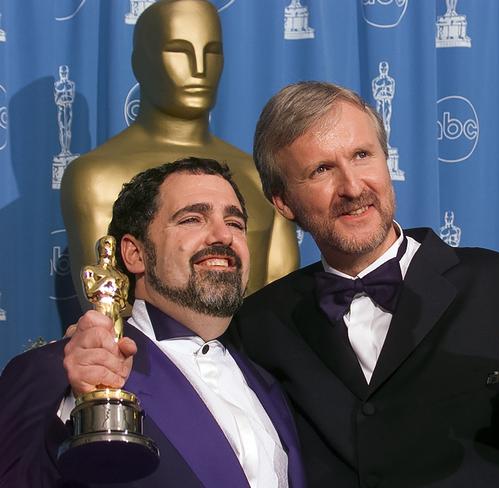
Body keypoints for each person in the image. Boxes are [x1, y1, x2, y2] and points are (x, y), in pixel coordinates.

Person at [233, 81, 499, 487]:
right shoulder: (259, 326)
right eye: (321, 169)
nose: (353, 187)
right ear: (283, 201)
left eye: (362, 155)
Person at [0, 158, 306, 488]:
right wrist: (78, 406)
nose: (223, 236)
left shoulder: (269, 386)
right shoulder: (53, 373)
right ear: (135, 254)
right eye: (192, 219)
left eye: (235, 223)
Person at [60, 0, 298, 308]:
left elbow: (280, 303)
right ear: (139, 63)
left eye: (211, 52)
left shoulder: (258, 174)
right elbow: (110, 309)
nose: (199, 69)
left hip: (251, 356)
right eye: (179, 51)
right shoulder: (95, 177)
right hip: (145, 355)